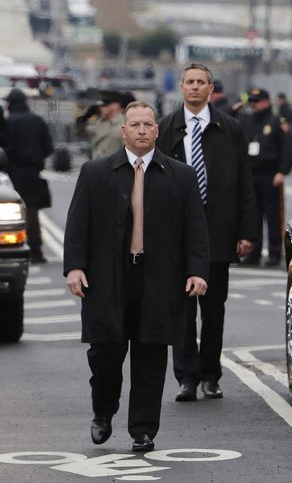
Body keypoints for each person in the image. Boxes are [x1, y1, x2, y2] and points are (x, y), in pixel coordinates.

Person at [64, 101, 209, 452]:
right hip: (107, 280)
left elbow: (195, 230)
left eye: (148, 124)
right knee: (105, 356)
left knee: (150, 357)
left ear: (157, 131)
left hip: (158, 280)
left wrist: (197, 271)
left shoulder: (180, 175)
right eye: (135, 124)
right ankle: (103, 411)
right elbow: (77, 225)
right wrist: (75, 267)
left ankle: (143, 429)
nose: (142, 130)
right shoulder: (96, 173)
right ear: (123, 131)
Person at [157, 63, 258, 402]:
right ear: (181, 87)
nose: (195, 87)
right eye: (189, 82)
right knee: (182, 311)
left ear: (211, 88)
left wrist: (246, 231)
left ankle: (210, 375)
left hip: (218, 231)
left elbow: (245, 181)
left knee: (213, 310)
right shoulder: (166, 128)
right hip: (177, 235)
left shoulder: (229, 128)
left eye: (201, 82)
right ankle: (186, 376)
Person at [239, 88, 292, 266]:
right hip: (251, 174)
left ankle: (274, 253)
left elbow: (289, 148)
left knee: (272, 216)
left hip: (270, 174)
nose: (254, 105)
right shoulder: (247, 121)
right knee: (252, 216)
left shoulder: (277, 122)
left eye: (257, 102)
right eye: (252, 102)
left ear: (265, 102)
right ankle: (253, 252)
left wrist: (282, 171)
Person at [5, 88, 53, 263]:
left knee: (11, 213)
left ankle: (12, 248)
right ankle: (36, 251)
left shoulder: (8, 122)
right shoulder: (37, 121)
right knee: (32, 212)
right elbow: (48, 147)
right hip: (33, 172)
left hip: (13, 173)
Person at [76, 90, 126, 159]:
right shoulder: (99, 122)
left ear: (115, 106)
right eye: (100, 106)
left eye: (104, 105)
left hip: (113, 167)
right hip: (97, 166)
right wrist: (84, 118)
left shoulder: (124, 124)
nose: (101, 108)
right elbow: (80, 134)